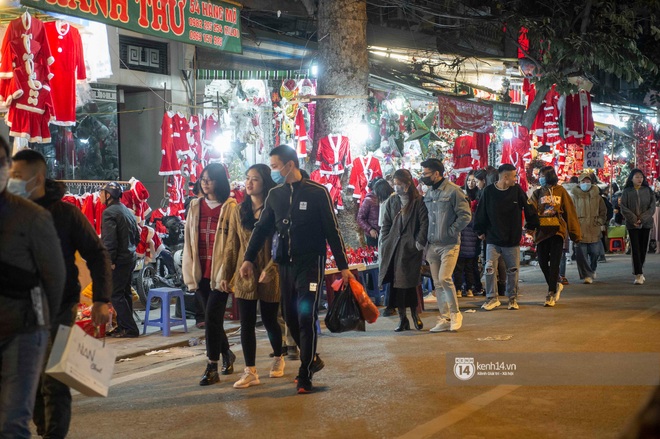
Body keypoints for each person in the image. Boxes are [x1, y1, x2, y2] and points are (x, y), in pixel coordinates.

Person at [9, 149, 112, 439]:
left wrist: (102, 299)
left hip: (59, 306)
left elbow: (97, 252)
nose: (11, 181)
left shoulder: (66, 213)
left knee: (52, 378)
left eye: (17, 176)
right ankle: (45, 429)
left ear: (37, 178)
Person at [239, 145, 354, 394]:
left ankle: (305, 373)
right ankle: (312, 358)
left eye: (274, 166)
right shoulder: (275, 195)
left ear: (289, 165)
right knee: (290, 317)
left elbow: (332, 231)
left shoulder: (318, 192)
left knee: (306, 315)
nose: (273, 172)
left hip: (311, 265)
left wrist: (344, 267)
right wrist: (248, 259)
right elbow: (261, 229)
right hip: (285, 266)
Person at [0, 138, 65, 439]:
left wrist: (44, 324)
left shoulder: (34, 216)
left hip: (23, 330)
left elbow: (54, 278)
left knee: (13, 421)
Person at [219, 164, 284, 389]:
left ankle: (278, 355)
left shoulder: (275, 208)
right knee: (246, 323)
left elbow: (281, 244)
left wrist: (272, 268)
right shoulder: (239, 210)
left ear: (265, 182)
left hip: (270, 273)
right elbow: (232, 245)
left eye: (254, 179)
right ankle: (250, 371)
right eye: (247, 178)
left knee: (269, 320)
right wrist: (226, 274)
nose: (249, 183)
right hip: (245, 273)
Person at [183, 163, 237, 386]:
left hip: (220, 273)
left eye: (210, 179)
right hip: (200, 271)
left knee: (212, 318)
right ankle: (227, 353)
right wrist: (188, 271)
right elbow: (188, 241)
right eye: (203, 178)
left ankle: (211, 365)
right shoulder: (195, 206)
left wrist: (229, 273)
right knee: (212, 319)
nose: (205, 182)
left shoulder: (231, 207)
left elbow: (234, 242)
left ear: (220, 182)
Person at [474, 164, 539, 311]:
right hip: (492, 238)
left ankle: (512, 298)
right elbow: (481, 212)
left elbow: (529, 209)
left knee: (513, 270)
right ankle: (492, 298)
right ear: (505, 177)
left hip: (512, 238)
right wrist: (479, 230)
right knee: (489, 269)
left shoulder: (517, 191)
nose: (516, 179)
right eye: (514, 176)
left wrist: (532, 226)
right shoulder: (488, 191)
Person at [420, 159, 471, 332]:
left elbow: (465, 216)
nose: (423, 177)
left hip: (449, 244)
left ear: (436, 173)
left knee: (444, 278)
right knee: (437, 283)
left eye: (426, 174)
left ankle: (456, 313)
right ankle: (444, 318)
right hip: (432, 245)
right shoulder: (428, 193)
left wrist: (451, 231)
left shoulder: (454, 191)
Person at [378, 169, 429, 332]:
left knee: (409, 283)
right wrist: (386, 240)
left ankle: (415, 315)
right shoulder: (392, 202)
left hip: (410, 249)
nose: (395, 187)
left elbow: (424, 223)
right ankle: (403, 319)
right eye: (394, 184)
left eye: (398, 184)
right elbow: (385, 224)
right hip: (393, 248)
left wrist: (418, 243)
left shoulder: (419, 201)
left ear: (407, 185)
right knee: (396, 285)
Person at [529, 166, 581, 307]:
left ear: (550, 176)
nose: (540, 177)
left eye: (542, 175)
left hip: (557, 231)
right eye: (539, 175)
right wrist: (529, 228)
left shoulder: (561, 191)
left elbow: (570, 212)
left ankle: (551, 292)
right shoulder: (537, 193)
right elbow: (531, 211)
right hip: (541, 233)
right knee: (542, 262)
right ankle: (556, 284)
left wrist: (575, 234)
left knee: (555, 263)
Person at [99, 181, 140, 338]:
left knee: (115, 294)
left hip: (119, 260)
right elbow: (136, 236)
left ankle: (130, 328)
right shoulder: (126, 210)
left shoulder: (109, 213)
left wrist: (110, 261)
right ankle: (124, 326)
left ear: (108, 195)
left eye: (102, 193)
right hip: (130, 257)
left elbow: (110, 241)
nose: (100, 196)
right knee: (125, 293)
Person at [619, 169, 655, 285]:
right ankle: (638, 274)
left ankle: (640, 269)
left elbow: (652, 207)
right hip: (632, 224)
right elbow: (623, 207)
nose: (640, 179)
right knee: (635, 248)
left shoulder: (648, 191)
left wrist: (642, 218)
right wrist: (634, 219)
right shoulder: (627, 192)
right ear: (631, 179)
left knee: (643, 248)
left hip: (646, 224)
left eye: (641, 177)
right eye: (637, 177)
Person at [571, 171, 607, 284]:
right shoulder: (574, 197)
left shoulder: (597, 197)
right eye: (583, 181)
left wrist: (600, 221)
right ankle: (586, 275)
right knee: (581, 255)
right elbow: (570, 213)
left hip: (594, 229)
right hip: (580, 229)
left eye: (588, 181)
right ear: (579, 183)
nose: (585, 183)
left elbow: (603, 211)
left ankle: (593, 269)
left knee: (595, 253)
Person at [371, 178, 397, 316]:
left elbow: (384, 224)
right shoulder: (392, 200)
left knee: (389, 273)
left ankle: (390, 305)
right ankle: (390, 304)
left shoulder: (389, 202)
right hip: (390, 240)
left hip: (389, 241)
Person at [357, 178, 382, 247]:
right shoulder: (368, 200)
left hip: (384, 234)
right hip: (373, 235)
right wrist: (370, 229)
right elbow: (360, 218)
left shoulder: (385, 198)